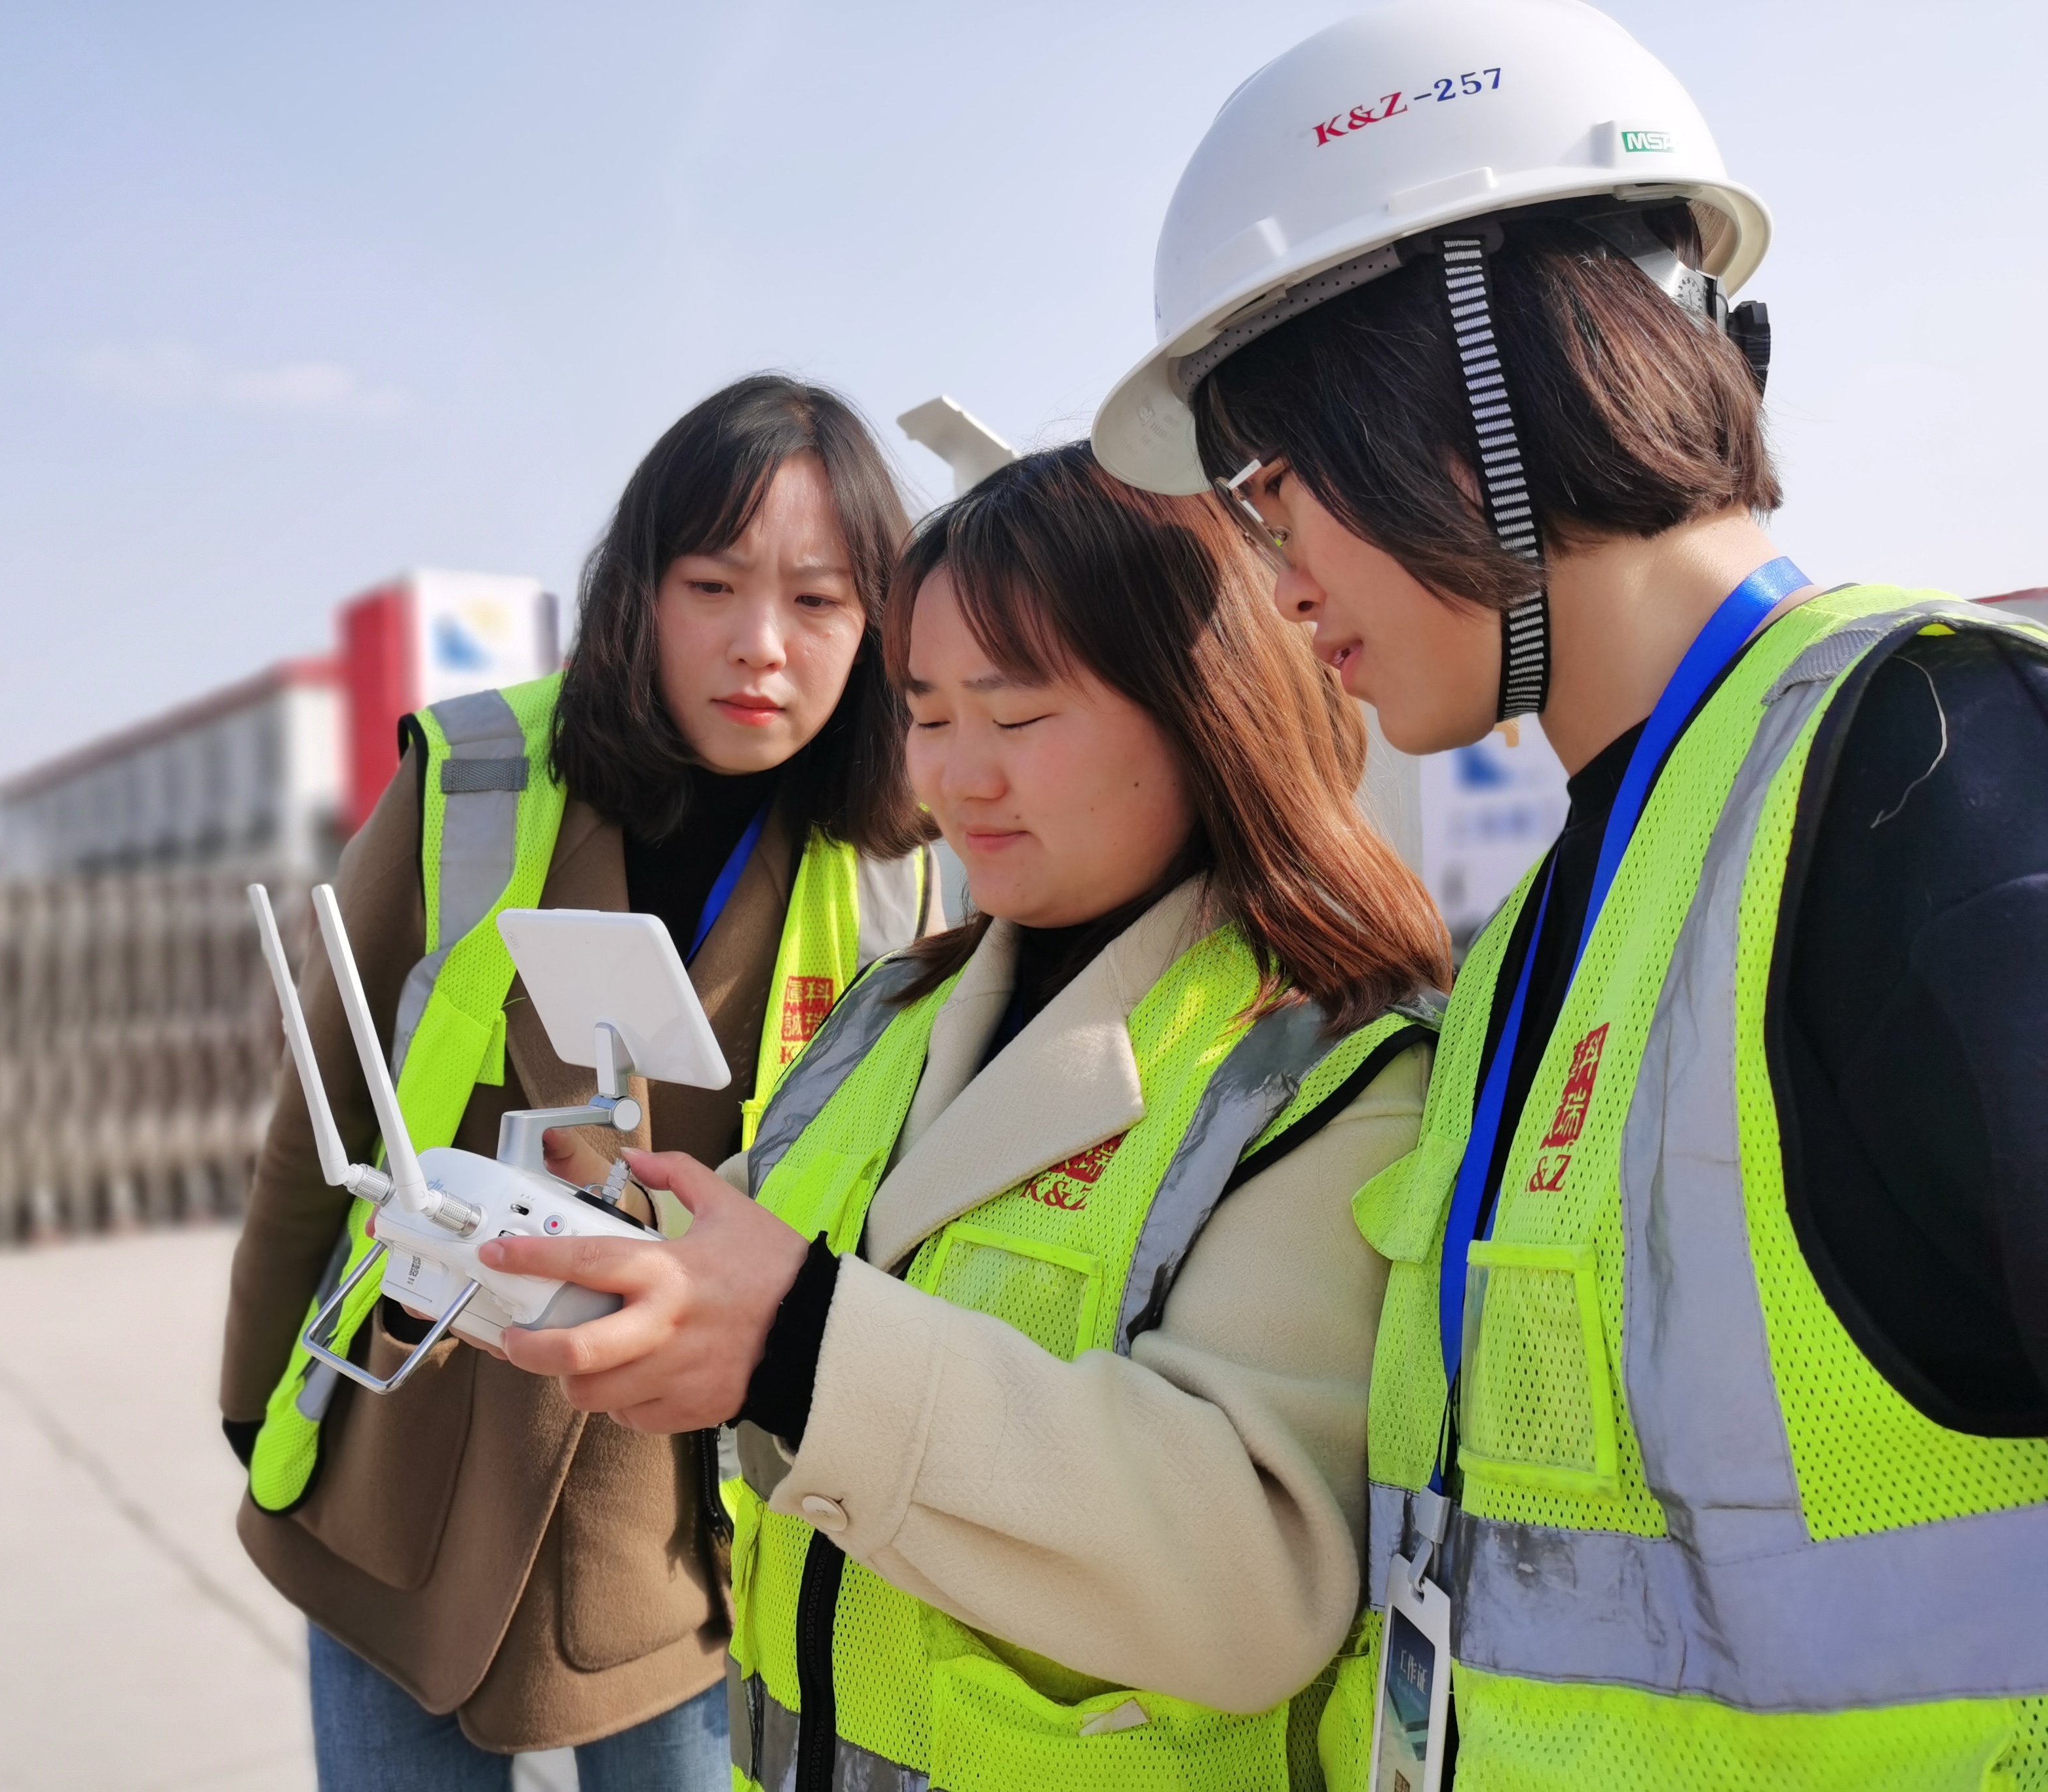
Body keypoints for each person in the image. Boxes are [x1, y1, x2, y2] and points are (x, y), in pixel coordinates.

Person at [1090, 2, 2048, 1785]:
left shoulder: (1935, 770)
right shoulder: (1574, 906)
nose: (1277, 581)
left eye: (1281, 489)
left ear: (1470, 379)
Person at [481, 441, 1452, 1790]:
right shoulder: (897, 1012)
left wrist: (796, 1343)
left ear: (1207, 709)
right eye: (928, 717)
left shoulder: (1330, 1070)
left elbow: (1258, 1574)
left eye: (1019, 717)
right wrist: (619, 1234)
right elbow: (780, 1251)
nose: (956, 778)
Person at [219, 374, 948, 1791]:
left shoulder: (898, 872)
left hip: (673, 1548)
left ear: (877, 632)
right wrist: (256, 1391)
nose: (760, 647)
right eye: (712, 583)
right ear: (639, 594)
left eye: (819, 601)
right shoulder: (476, 782)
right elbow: (325, 1113)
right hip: (396, 1458)